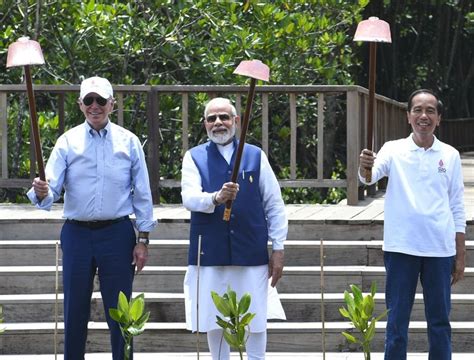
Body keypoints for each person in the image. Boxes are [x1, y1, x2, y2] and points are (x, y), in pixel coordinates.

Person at [27, 76, 157, 360]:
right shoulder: (67, 141)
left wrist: (143, 238)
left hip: (118, 233)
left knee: (121, 312)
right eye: (89, 100)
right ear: (80, 105)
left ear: (112, 104)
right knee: (74, 310)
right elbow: (50, 193)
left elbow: (143, 193)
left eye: (101, 100)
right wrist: (41, 191)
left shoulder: (129, 141)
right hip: (77, 234)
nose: (94, 106)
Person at [359, 89, 466, 359]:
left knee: (439, 323)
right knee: (396, 323)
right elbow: (368, 179)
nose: (423, 116)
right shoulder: (393, 149)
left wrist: (461, 253)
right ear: (408, 116)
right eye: (417, 110)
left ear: (439, 118)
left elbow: (456, 205)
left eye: (430, 111)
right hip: (401, 248)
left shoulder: (450, 155)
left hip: (439, 251)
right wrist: (365, 166)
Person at [181, 97, 288, 360]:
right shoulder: (193, 157)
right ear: (205, 124)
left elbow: (274, 204)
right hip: (210, 251)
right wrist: (215, 198)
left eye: (224, 117)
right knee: (212, 316)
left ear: (236, 121)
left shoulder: (254, 156)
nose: (218, 123)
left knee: (256, 317)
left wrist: (278, 248)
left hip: (250, 248)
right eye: (212, 118)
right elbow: (190, 198)